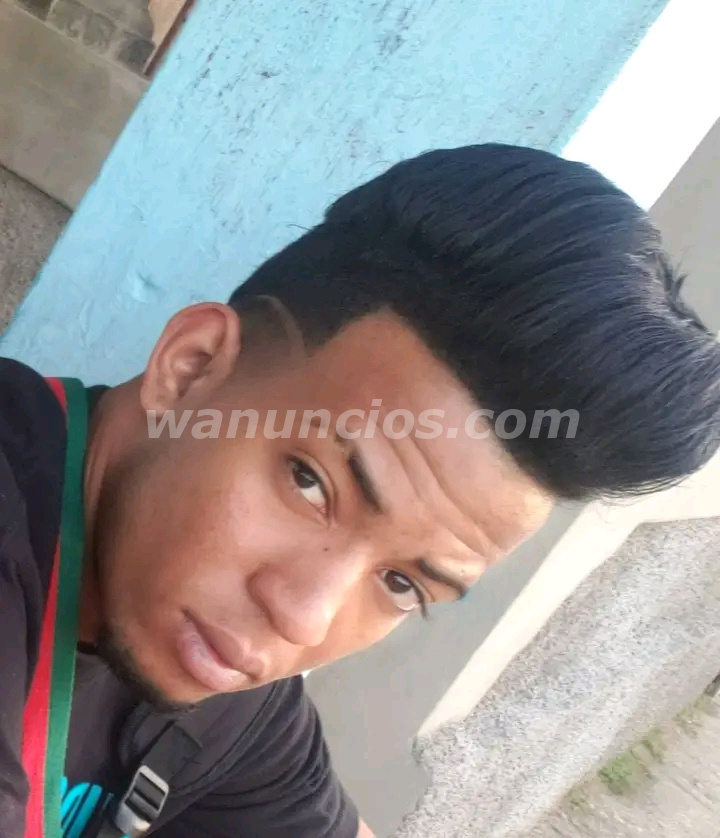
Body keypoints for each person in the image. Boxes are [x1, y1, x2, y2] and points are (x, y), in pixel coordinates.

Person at [1, 143, 719, 838]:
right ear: (191, 368)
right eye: (310, 484)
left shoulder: (231, 694)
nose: (304, 619)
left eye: (402, 584)